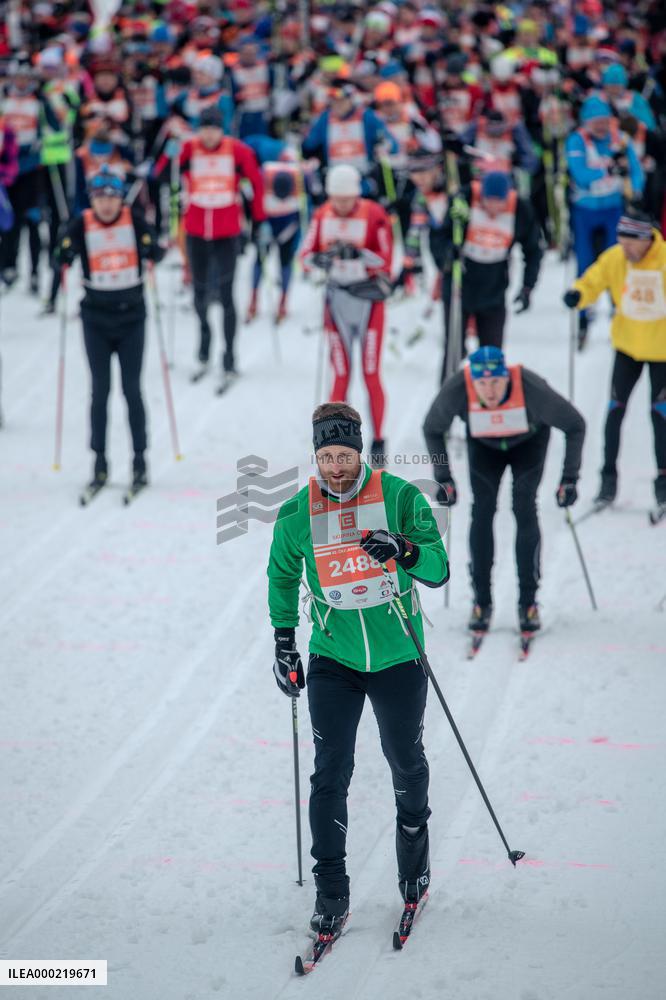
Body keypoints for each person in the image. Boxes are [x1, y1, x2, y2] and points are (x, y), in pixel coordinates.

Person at [267, 401, 448, 935]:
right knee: (329, 773)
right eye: (327, 456)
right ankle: (331, 893)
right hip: (333, 658)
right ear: (316, 456)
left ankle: (414, 872)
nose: (337, 467)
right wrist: (284, 641)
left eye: (345, 455)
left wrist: (404, 548)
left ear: (360, 449)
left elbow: (438, 568)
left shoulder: (398, 496)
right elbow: (281, 576)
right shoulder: (298, 512)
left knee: (405, 762)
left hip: (398, 655)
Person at [423, 346, 586, 633]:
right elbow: (431, 428)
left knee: (524, 508)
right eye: (482, 383)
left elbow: (575, 424)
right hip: (485, 448)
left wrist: (569, 478)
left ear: (506, 377)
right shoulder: (459, 386)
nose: (489, 391)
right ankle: (481, 602)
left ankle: (528, 603)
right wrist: (444, 477)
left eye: (496, 382)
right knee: (482, 511)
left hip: (528, 445)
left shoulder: (530, 386)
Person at [55, 166, 164, 493]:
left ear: (120, 198)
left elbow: (158, 249)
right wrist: (63, 251)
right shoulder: (81, 224)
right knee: (99, 391)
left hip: (132, 318)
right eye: (100, 198)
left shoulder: (134, 220)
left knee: (132, 390)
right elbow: (60, 257)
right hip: (96, 319)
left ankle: (139, 460)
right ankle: (99, 463)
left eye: (112, 197)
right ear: (92, 200)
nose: (106, 205)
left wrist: (151, 248)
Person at [563, 211, 666, 509]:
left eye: (631, 244)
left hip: (661, 350)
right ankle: (607, 484)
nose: (626, 250)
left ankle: (662, 486)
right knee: (614, 412)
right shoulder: (616, 257)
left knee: (659, 416)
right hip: (627, 347)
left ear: (646, 239)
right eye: (621, 243)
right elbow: (593, 280)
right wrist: (577, 294)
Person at [300, 163, 393, 466]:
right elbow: (305, 255)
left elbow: (386, 259)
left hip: (367, 304)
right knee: (340, 373)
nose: (341, 205)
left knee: (370, 373)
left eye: (346, 199)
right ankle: (334, 439)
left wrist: (359, 256)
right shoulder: (321, 214)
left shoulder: (374, 214)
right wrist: (321, 258)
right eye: (336, 199)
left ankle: (379, 439)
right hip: (336, 304)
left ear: (356, 195)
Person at [168, 104, 265, 384]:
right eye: (204, 129)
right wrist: (170, 149)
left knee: (226, 295)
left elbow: (256, 183)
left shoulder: (237, 150)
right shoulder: (189, 149)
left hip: (227, 232)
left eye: (213, 129)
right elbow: (163, 171)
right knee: (199, 294)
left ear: (221, 130)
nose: (209, 135)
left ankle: (230, 355)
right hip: (196, 231)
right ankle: (204, 347)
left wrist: (258, 221)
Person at [440, 170, 542, 382]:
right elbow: (439, 234)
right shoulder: (464, 199)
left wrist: (527, 287)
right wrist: (446, 256)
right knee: (454, 347)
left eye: (500, 202)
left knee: (491, 354)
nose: (494, 208)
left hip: (494, 287)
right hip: (461, 283)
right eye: (489, 201)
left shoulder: (521, 209)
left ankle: (491, 401)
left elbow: (533, 250)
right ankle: (445, 398)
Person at [565, 95, 644, 343]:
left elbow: (634, 167)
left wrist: (636, 188)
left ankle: (619, 305)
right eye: (595, 122)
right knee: (586, 260)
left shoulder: (617, 138)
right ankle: (583, 312)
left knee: (619, 258)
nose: (600, 127)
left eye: (604, 121)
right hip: (585, 209)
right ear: (586, 122)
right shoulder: (577, 140)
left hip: (612, 208)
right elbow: (580, 175)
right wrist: (608, 169)